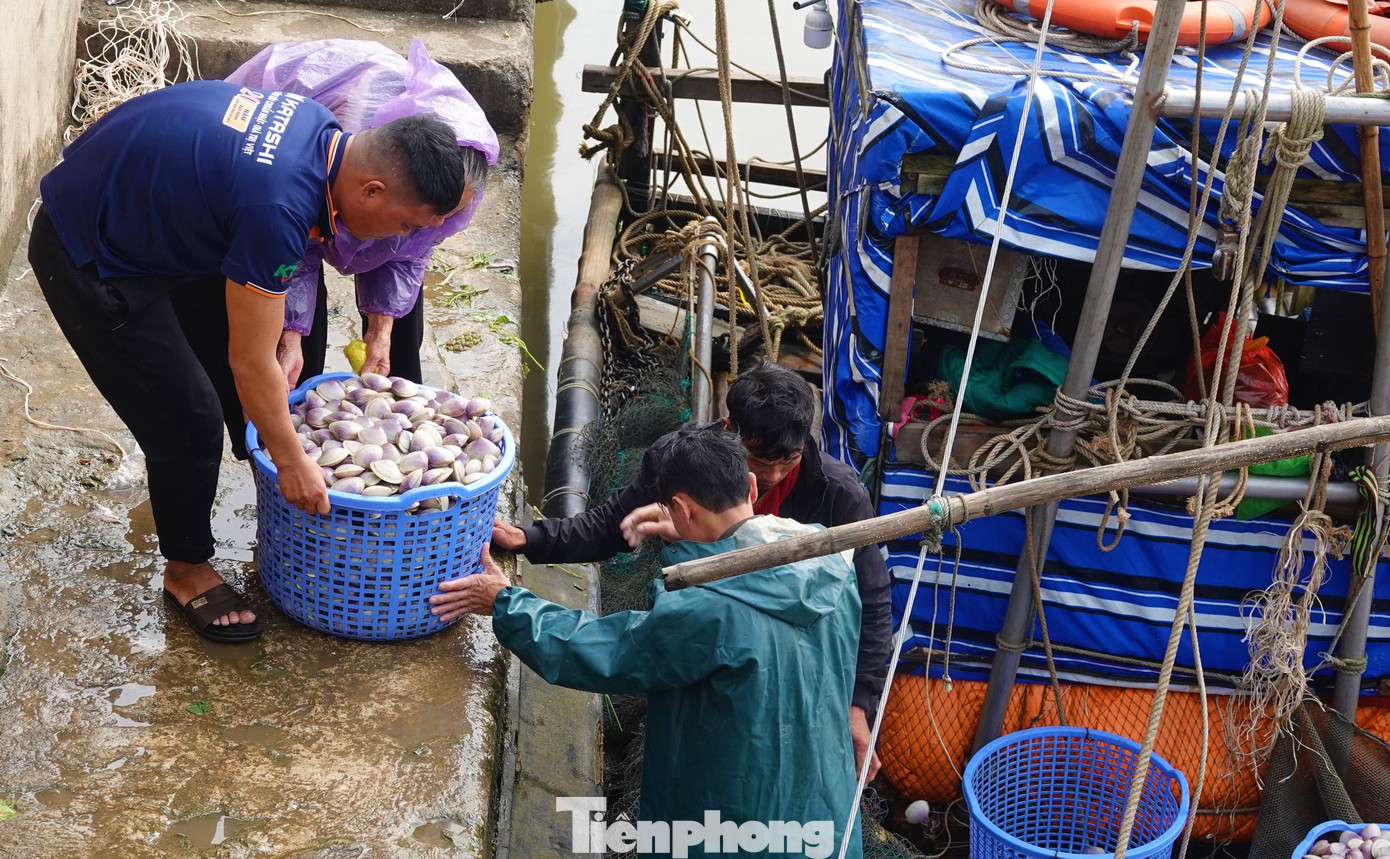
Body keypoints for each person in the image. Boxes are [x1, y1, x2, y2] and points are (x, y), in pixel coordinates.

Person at [28, 80, 471, 643]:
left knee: (252, 382)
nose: (403, 240)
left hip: (155, 218)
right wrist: (291, 458)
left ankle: (274, 477)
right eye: (407, 225)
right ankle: (186, 568)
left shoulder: (321, 131)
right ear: (373, 191)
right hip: (88, 251)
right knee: (187, 415)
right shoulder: (277, 206)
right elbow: (250, 360)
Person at [432, 425, 863, 857]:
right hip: (826, 819)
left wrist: (507, 604)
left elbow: (606, 650)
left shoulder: (707, 610)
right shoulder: (831, 567)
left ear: (680, 506)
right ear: (750, 484)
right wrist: (686, 541)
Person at [483, 360, 893, 779]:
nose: (771, 476)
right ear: (730, 430)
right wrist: (532, 538)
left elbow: (874, 602)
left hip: (790, 658)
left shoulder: (839, 496)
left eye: (788, 461)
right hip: (711, 646)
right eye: (759, 462)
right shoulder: (679, 460)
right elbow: (611, 527)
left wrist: (858, 704)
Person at [226, 38, 498, 386]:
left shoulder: (453, 176)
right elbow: (292, 250)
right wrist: (290, 332)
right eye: (419, 218)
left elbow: (409, 250)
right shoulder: (341, 162)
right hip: (282, 165)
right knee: (285, 347)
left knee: (397, 347)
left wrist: (381, 327)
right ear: (373, 189)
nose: (434, 226)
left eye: (446, 214)